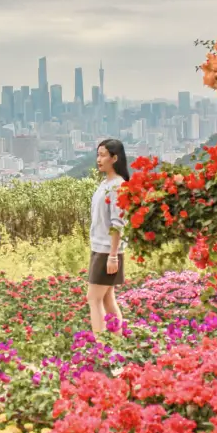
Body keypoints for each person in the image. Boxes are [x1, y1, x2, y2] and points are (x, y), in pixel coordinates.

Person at [87, 139, 129, 335]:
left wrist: (113, 255)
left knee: (93, 299)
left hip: (107, 251)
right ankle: (117, 343)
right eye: (98, 155)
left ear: (115, 158)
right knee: (107, 298)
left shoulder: (118, 186)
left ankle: (101, 346)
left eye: (103, 155)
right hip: (100, 248)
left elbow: (117, 223)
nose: (99, 159)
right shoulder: (105, 184)